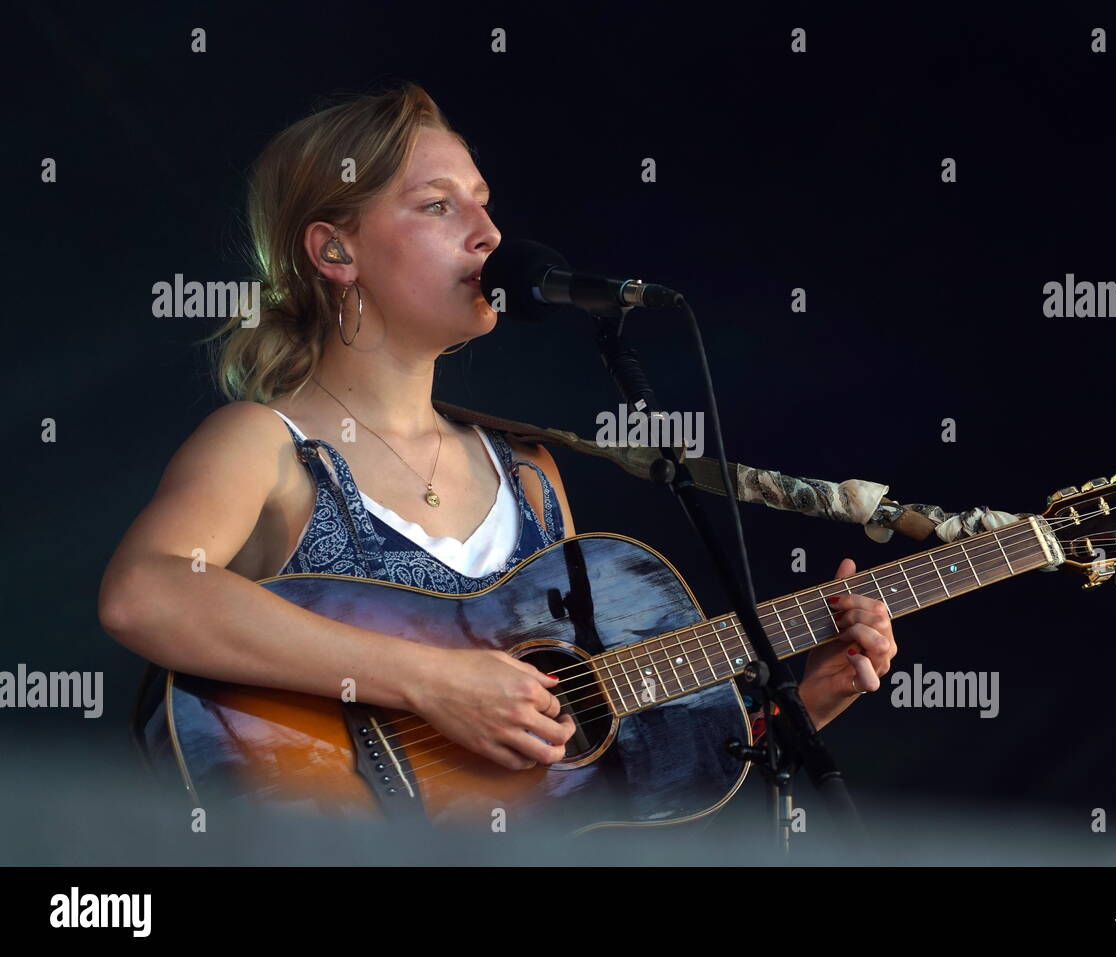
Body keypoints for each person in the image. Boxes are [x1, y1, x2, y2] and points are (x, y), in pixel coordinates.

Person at [97, 81, 897, 778]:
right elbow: (144, 594)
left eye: (483, 201)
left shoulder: (532, 476)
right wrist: (433, 683)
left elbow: (600, 763)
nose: (488, 234)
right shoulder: (262, 442)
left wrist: (805, 704)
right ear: (334, 248)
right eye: (439, 204)